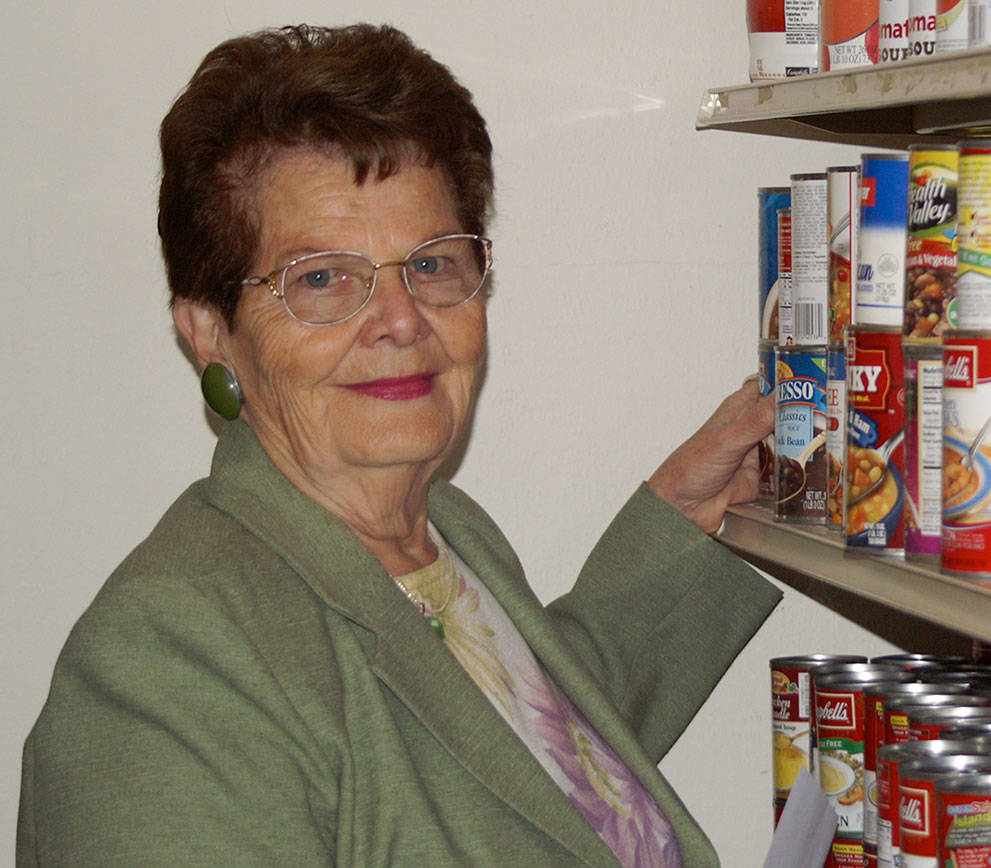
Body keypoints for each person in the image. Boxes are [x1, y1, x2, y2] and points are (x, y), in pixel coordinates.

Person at [18, 24, 780, 867]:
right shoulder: (169, 663)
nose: (401, 319)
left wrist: (679, 515)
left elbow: (511, 777)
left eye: (432, 264)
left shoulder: (445, 535)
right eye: (320, 278)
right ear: (210, 333)